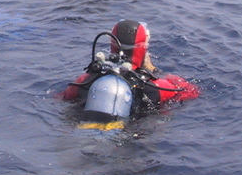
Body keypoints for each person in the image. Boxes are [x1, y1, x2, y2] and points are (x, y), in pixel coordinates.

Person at [61, 20, 199, 122]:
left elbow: (62, 99)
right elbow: (191, 92)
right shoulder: (157, 87)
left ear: (112, 44)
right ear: (143, 48)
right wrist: (155, 71)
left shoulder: (84, 81)